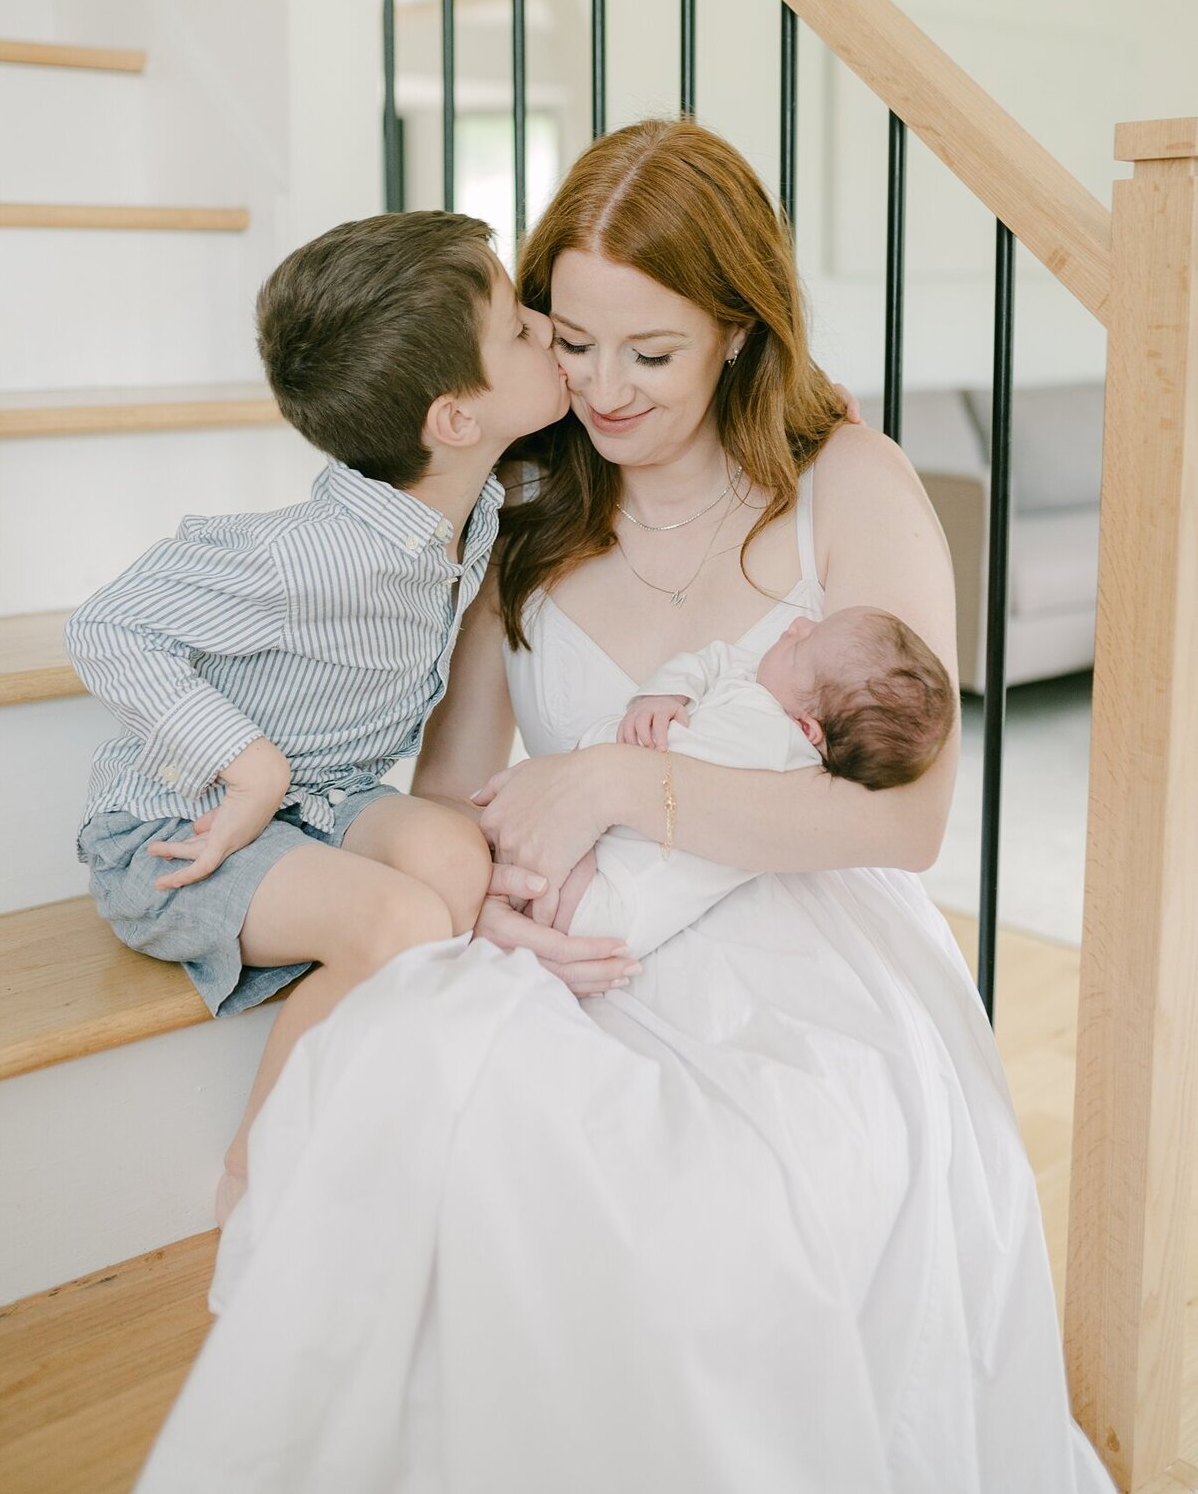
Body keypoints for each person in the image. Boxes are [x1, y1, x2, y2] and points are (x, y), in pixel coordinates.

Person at [135, 121, 1113, 1494]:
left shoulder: (854, 487)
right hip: (557, 923)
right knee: (428, 1099)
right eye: (568, 340)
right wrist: (501, 903)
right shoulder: (526, 502)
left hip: (802, 941)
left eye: (648, 353)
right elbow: (453, 782)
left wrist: (609, 779)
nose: (602, 387)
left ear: (735, 329)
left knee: (715, 1212)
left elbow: (904, 822)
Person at [66, 211, 569, 1222]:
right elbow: (105, 628)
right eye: (519, 327)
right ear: (454, 420)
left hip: (324, 799)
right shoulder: (305, 556)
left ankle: (389, 1094)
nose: (549, 328)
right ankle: (256, 1173)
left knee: (456, 853)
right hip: (177, 833)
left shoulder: (466, 500)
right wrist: (246, 766)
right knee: (402, 920)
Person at [532, 604, 957, 955]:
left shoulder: (788, 763)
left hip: (632, 886)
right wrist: (666, 696)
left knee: (581, 912)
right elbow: (710, 659)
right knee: (540, 854)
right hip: (598, 805)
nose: (797, 625)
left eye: (800, 646)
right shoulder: (752, 678)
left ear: (809, 729)